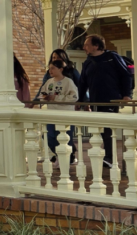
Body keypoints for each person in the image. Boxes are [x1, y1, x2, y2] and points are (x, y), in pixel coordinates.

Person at [77, 33, 133, 166]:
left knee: (108, 129)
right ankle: (107, 156)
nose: (84, 47)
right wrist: (81, 100)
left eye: (87, 45)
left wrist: (126, 95)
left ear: (96, 46)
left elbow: (126, 75)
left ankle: (110, 158)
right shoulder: (87, 62)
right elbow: (83, 83)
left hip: (111, 100)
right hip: (95, 101)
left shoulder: (112, 57)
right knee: (100, 129)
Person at [37, 59, 79, 166]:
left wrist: (56, 97)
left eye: (53, 68)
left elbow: (74, 97)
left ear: (60, 69)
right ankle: (59, 155)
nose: (50, 71)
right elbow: (42, 94)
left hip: (65, 114)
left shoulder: (68, 82)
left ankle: (67, 159)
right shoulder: (49, 82)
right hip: (51, 114)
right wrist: (45, 98)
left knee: (66, 138)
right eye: (49, 68)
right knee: (48, 136)